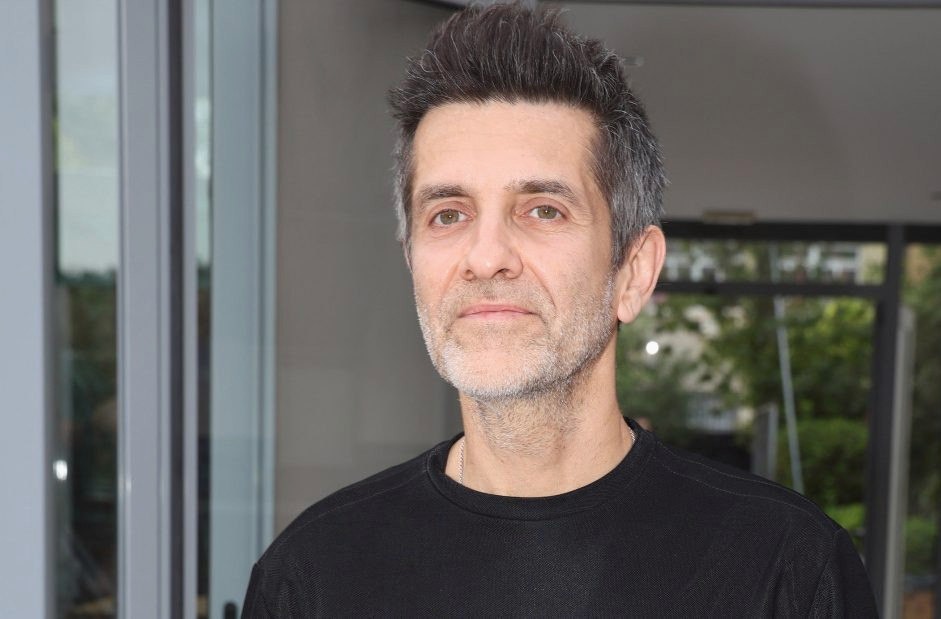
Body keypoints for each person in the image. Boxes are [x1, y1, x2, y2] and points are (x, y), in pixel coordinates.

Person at [242, 3, 877, 616]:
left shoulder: (786, 570)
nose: (485, 257)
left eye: (543, 210)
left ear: (634, 272)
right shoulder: (312, 576)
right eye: (449, 215)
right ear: (412, 261)